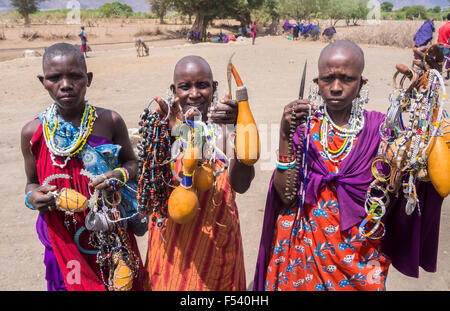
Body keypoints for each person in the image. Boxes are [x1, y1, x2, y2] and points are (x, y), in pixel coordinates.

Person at [253, 40, 445, 291]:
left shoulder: (381, 130)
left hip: (358, 255)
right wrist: (285, 135)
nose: (335, 87)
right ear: (316, 83)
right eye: (327, 79)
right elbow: (286, 196)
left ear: (362, 83)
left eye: (347, 79)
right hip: (300, 250)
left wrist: (427, 85)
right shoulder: (302, 127)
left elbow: (418, 162)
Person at [20, 43, 146, 291]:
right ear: (43, 81)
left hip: (112, 236)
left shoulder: (110, 121)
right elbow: (31, 182)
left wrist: (119, 174)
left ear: (88, 79)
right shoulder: (32, 132)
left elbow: (133, 164)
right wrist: (32, 197)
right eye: (55, 78)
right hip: (63, 242)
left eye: (75, 76)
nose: (65, 85)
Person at [143, 55, 255, 291]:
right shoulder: (161, 129)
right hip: (171, 247)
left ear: (213, 89)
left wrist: (239, 131)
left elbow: (242, 185)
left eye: (202, 85)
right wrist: (173, 134)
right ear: (174, 90)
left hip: (218, 244)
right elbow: (151, 192)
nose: (194, 93)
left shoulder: (226, 131)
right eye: (185, 86)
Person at [438, 13, 450, 79]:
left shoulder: (441, 27)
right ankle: (438, 78)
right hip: (447, 47)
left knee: (440, 63)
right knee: (443, 63)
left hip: (440, 46)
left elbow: (438, 38)